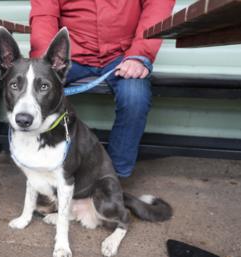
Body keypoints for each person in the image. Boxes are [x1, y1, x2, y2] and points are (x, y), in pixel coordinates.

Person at [29, 0, 175, 178]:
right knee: (36, 92)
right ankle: (42, 171)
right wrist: (46, 62)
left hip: (123, 56)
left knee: (135, 97)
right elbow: (44, 17)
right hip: (69, 56)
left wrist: (139, 56)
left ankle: (112, 179)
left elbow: (156, 8)